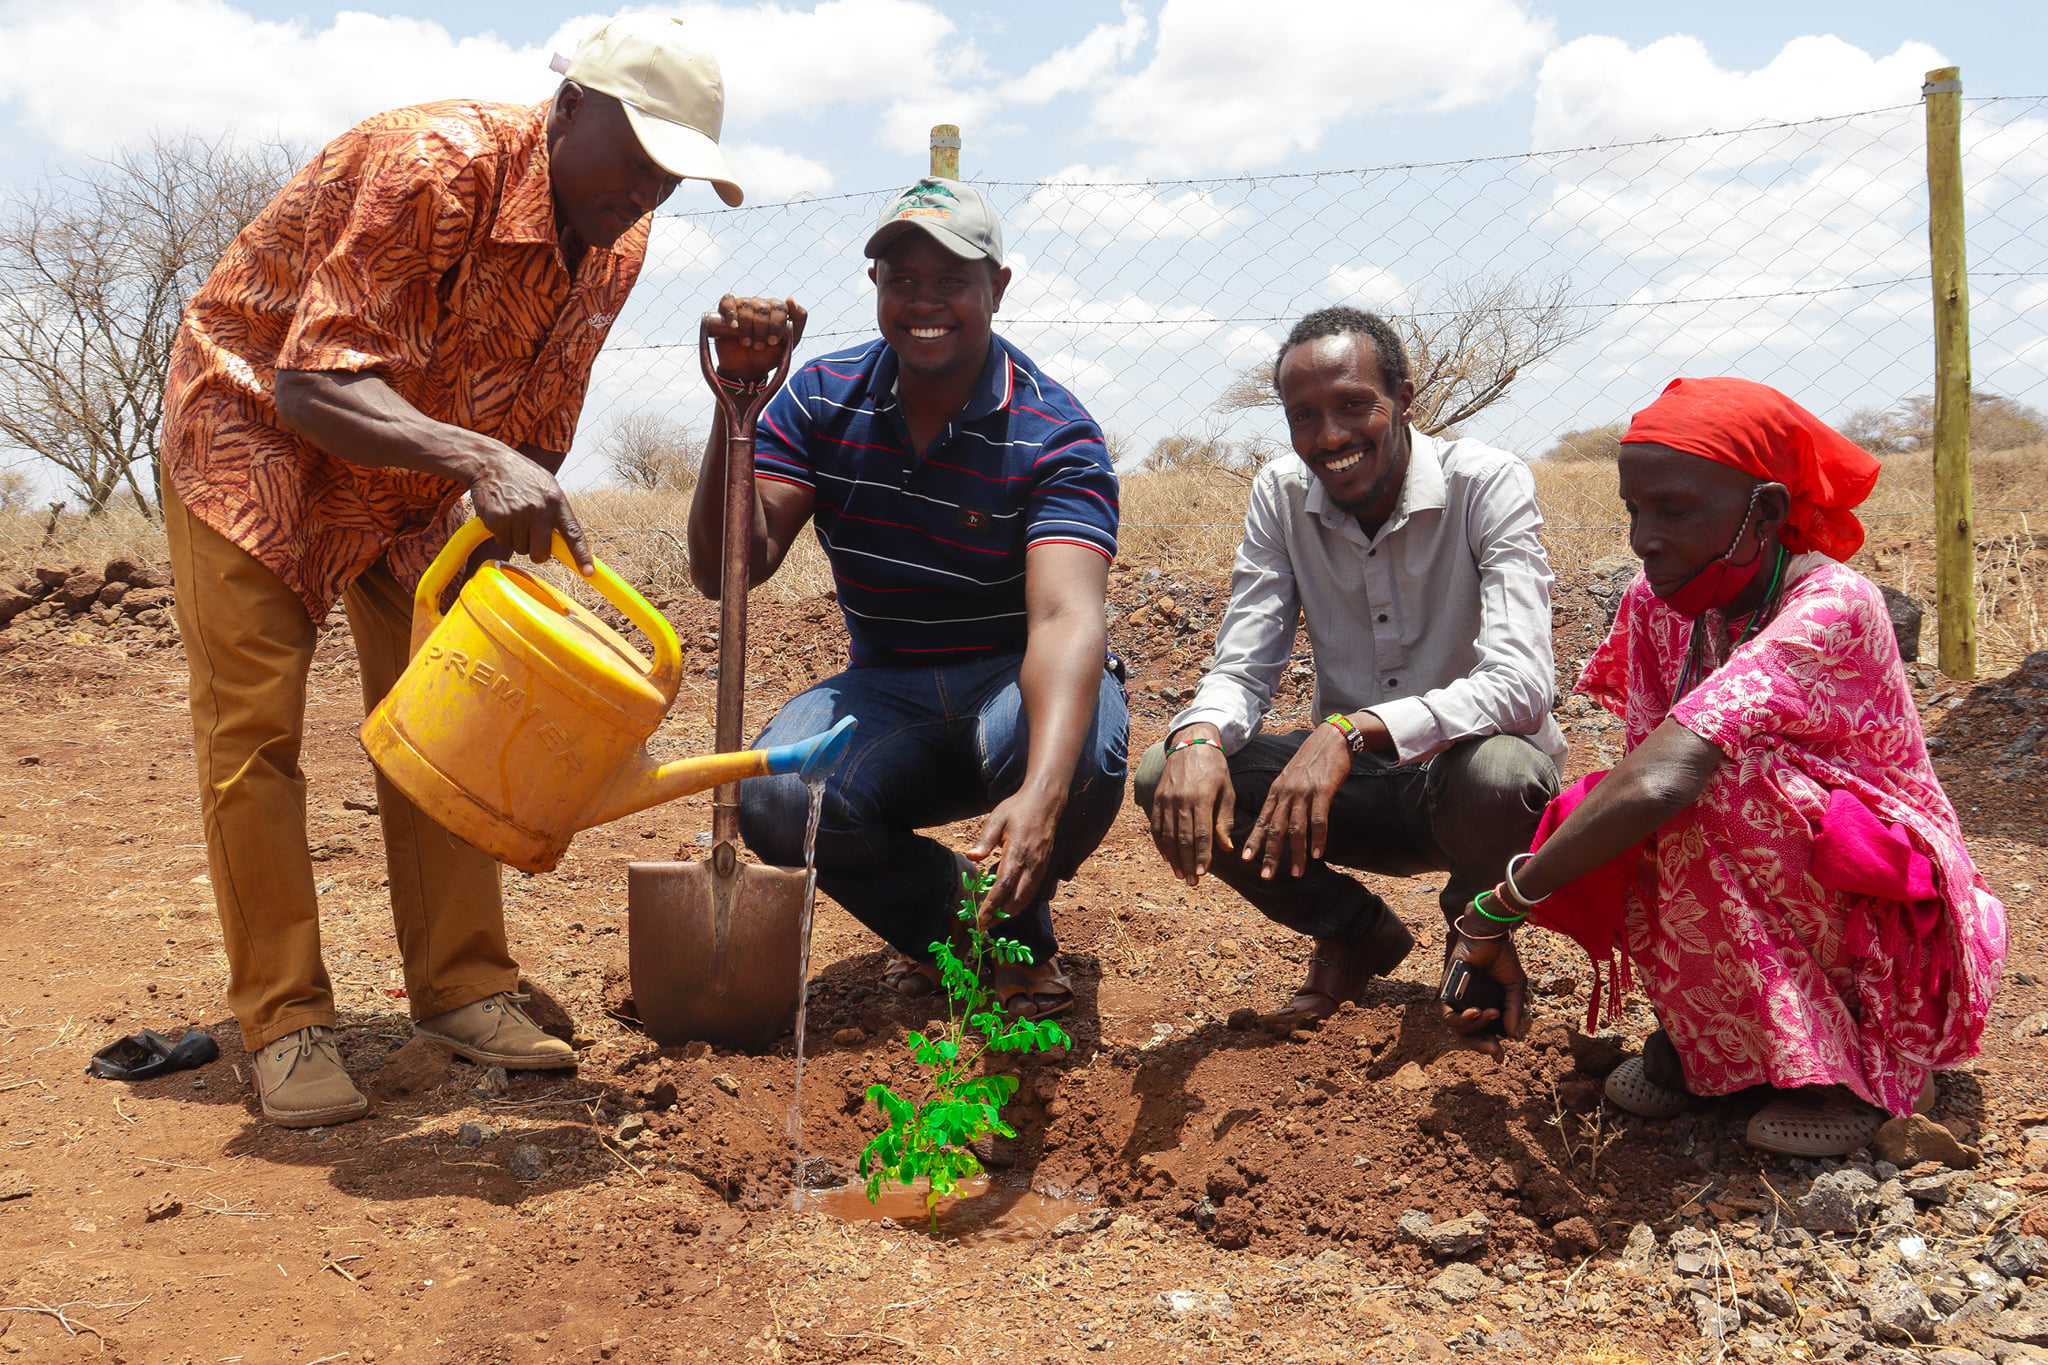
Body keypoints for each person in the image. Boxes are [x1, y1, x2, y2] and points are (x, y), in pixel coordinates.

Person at [161, 14, 747, 1128]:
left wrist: (522, 510)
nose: (645, 192)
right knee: (253, 736)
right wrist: (478, 458)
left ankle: (461, 986)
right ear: (569, 108)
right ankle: (284, 1023)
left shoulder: (616, 239)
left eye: (671, 176)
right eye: (634, 158)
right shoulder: (430, 165)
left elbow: (537, 416)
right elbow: (312, 386)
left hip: (420, 479)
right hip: (256, 438)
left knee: (457, 716)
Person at [1440, 377, 2007, 1156]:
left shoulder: (1832, 606)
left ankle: (1857, 1065)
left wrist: (1493, 911)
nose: (1643, 537)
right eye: (1634, 510)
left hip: (1884, 892)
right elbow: (1643, 774)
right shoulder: (1654, 602)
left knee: (1708, 783)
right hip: (1770, 854)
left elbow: (1667, 775)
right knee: (1618, 809)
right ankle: (1718, 1042)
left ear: (1766, 513)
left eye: (1674, 511)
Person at [692, 177, 1127, 1022]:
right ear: (876, 289)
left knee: (1065, 760)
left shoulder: (1053, 431)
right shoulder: (821, 399)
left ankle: (1021, 939)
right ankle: (969, 930)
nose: (924, 302)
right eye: (902, 280)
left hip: (1015, 680)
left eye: (951, 281)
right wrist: (736, 410)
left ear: (997, 287)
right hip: (888, 689)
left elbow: (1065, 617)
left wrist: (1041, 793)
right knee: (779, 794)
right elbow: (726, 570)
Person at [1136, 306, 1565, 1027]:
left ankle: (1476, 938)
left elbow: (1522, 684)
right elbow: (1244, 663)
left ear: (1405, 398)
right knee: (1163, 771)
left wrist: (1351, 729)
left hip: (1461, 780)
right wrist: (1198, 736)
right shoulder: (1279, 494)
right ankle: (1352, 933)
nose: (1329, 437)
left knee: (1505, 777)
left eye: (1353, 405)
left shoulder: (1486, 483)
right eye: (1303, 415)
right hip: (1357, 789)